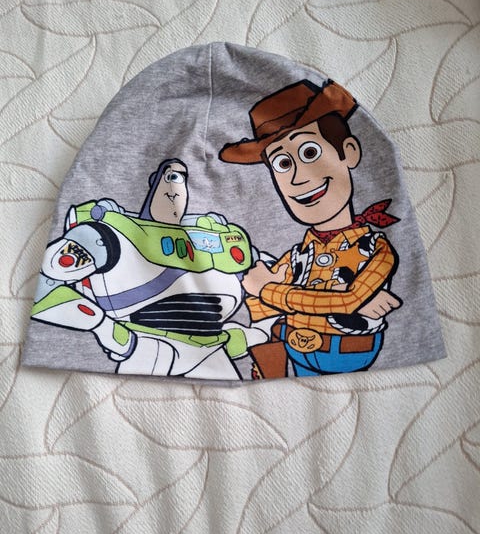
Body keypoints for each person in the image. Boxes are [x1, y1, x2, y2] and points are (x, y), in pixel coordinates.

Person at [219, 79, 402, 377]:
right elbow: (260, 307)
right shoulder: (295, 257)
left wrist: (269, 290)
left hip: (351, 357)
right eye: (282, 164)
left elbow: (348, 301)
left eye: (309, 153)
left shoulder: (376, 248)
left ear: (348, 152)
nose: (298, 178)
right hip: (295, 356)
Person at [31, 158, 267, 379]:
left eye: (179, 179)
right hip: (148, 341)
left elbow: (265, 273)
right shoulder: (113, 233)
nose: (175, 189)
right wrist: (98, 323)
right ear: (156, 181)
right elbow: (53, 274)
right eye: (170, 178)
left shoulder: (220, 237)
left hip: (210, 344)